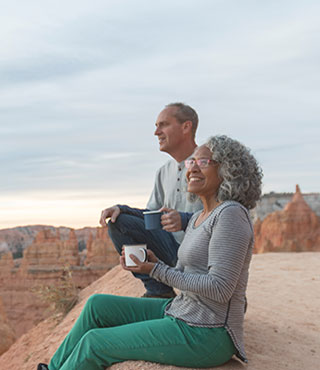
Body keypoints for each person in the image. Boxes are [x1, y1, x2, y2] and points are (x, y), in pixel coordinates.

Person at [38, 135, 262, 370]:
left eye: (203, 162)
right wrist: (154, 265)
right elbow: (187, 273)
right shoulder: (199, 216)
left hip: (208, 333)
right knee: (97, 306)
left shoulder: (231, 215)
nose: (192, 168)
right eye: (191, 162)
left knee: (95, 343)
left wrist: (157, 270)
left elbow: (220, 288)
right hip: (182, 310)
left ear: (228, 170)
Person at [99, 103, 203, 298]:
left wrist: (185, 219)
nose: (156, 132)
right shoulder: (163, 172)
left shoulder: (208, 166)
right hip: (172, 251)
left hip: (201, 256)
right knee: (118, 223)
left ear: (186, 127)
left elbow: (226, 215)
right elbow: (151, 217)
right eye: (156, 126)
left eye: (163, 125)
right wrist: (121, 209)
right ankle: (159, 292)